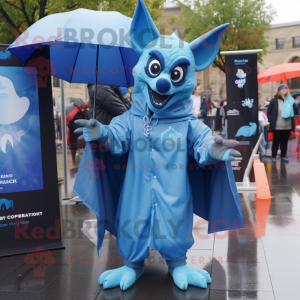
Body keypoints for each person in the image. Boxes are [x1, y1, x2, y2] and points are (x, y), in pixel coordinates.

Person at [267, 84, 296, 163]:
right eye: (282, 89)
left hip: (288, 125)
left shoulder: (290, 100)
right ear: (279, 91)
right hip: (277, 125)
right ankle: (273, 157)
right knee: (276, 141)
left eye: (285, 89)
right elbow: (269, 111)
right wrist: (271, 120)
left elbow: (295, 110)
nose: (284, 90)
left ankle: (283, 156)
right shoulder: (274, 100)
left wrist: (293, 102)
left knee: (284, 141)